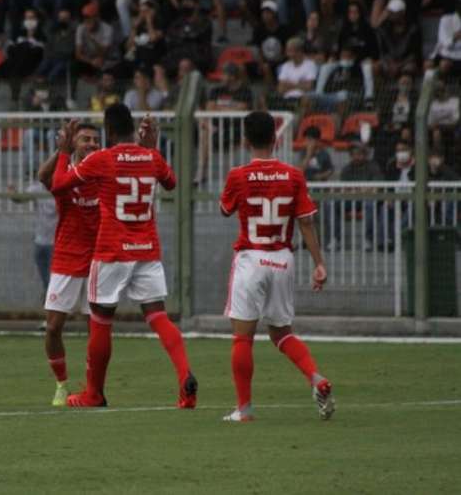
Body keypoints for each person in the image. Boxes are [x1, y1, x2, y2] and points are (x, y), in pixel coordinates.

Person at [51, 104, 197, 409]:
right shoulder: (151, 157)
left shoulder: (102, 159)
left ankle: (94, 393)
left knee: (101, 320)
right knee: (158, 317)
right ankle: (185, 378)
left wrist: (65, 152)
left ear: (108, 130)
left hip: (111, 252)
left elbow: (59, 184)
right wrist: (152, 148)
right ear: (134, 128)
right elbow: (171, 183)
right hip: (147, 250)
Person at [219, 110, 334, 422]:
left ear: (245, 140)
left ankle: (244, 409)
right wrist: (319, 263)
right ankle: (316, 378)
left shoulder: (238, 175)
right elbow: (306, 224)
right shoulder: (294, 175)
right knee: (282, 333)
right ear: (276, 139)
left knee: (242, 337)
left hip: (251, 258)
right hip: (283, 260)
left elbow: (225, 209)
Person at [36, 122, 100, 406]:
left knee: (96, 329)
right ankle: (61, 384)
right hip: (66, 258)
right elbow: (43, 177)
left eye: (95, 140)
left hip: (98, 260)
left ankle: (93, 387)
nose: (92, 144)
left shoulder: (102, 172)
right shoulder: (64, 173)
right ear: (73, 143)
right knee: (53, 328)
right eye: (85, 138)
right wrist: (60, 151)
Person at [0, 8, 44, 110]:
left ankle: (15, 100)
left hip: (30, 63)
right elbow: (10, 49)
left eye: (32, 18)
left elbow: (39, 52)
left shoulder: (42, 35)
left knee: (16, 71)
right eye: (27, 18)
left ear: (37, 20)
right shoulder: (19, 33)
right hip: (14, 60)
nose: (29, 21)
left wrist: (27, 46)